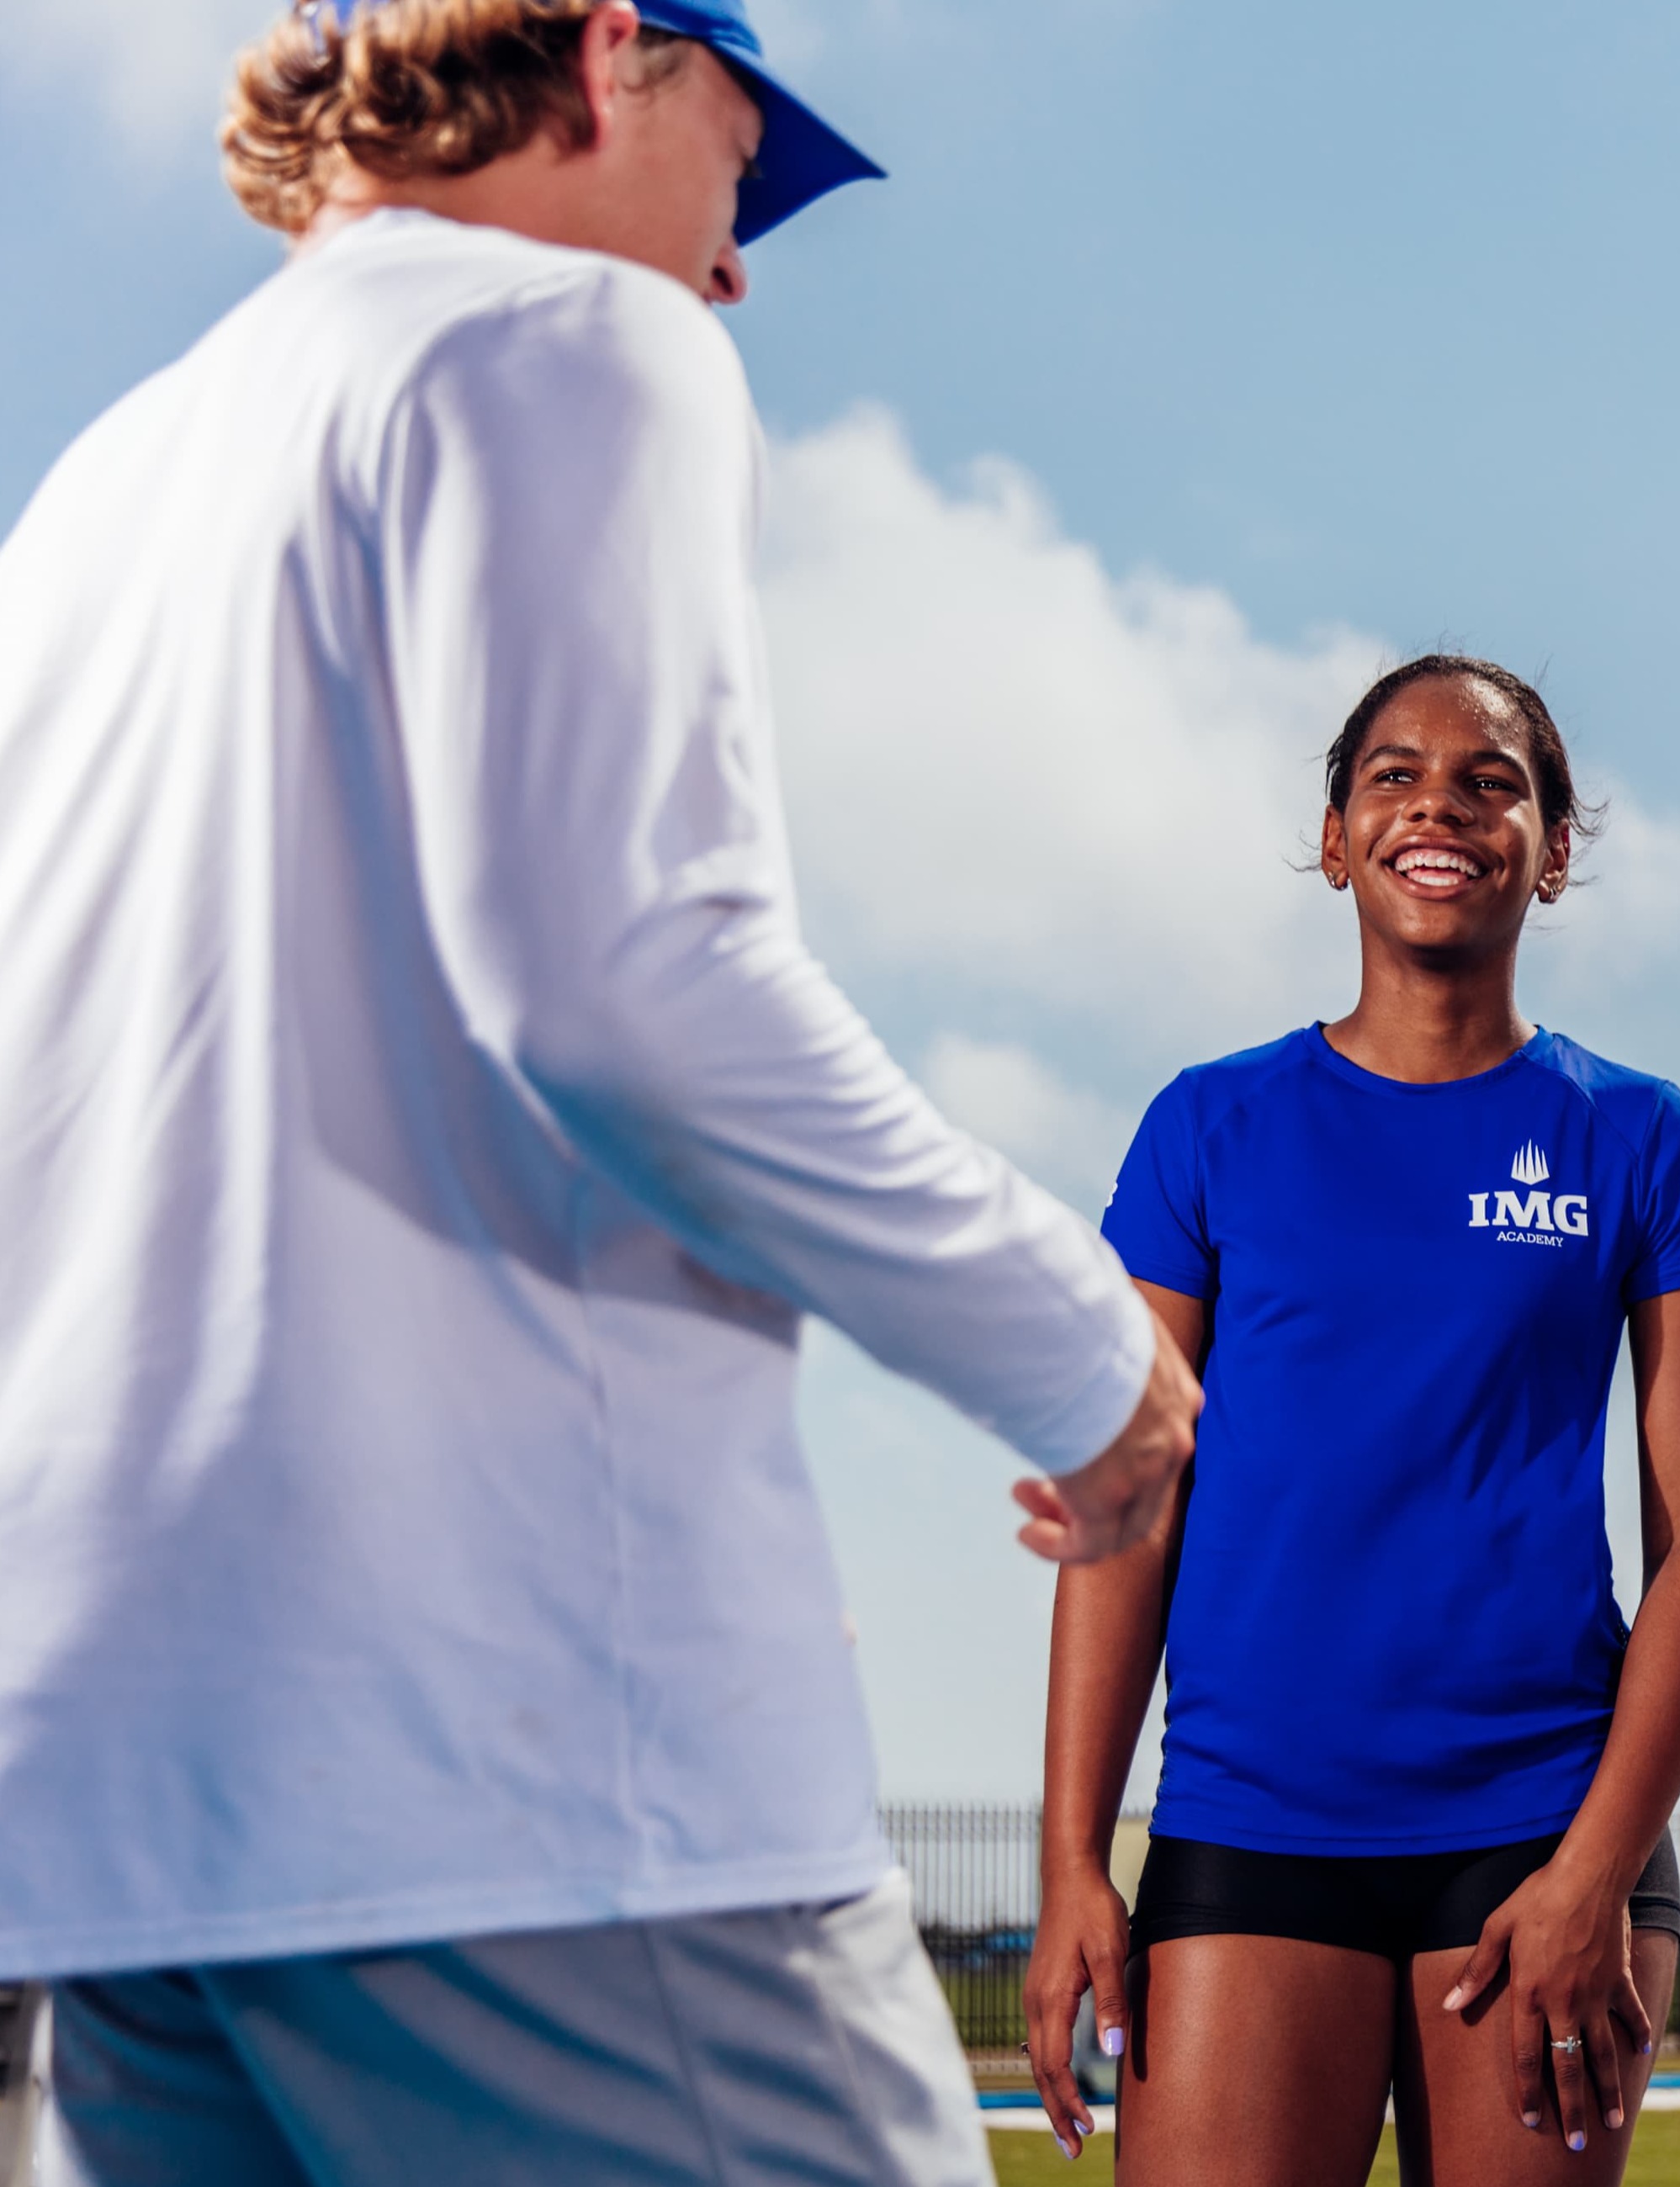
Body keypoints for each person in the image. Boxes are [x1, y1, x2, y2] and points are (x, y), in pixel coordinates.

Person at [0, 4, 1200, 2182]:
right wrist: (1077, 1348)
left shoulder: (99, 484)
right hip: (511, 1748)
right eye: (742, 173)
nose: (734, 267)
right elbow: (626, 977)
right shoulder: (568, 339)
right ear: (612, 58)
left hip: (112, 1797)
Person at [1019, 657, 1680, 2184]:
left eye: (1491, 781)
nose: (1441, 806)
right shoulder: (1209, 1128)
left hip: (1544, 1832)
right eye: (1395, 777)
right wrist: (1070, 1863)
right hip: (1250, 1825)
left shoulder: (1644, 1140)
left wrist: (1595, 1875)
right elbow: (1128, 1503)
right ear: (1338, 836)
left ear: (1551, 850)